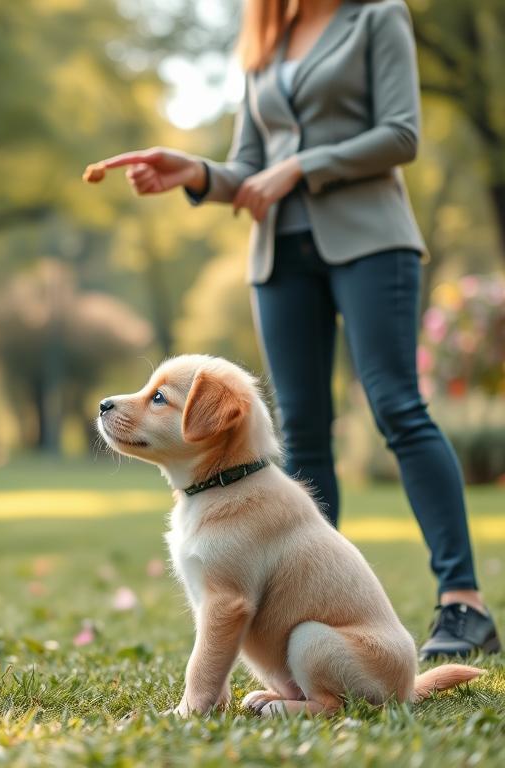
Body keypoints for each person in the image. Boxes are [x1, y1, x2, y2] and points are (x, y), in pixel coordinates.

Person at [90, 0, 499, 660]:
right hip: (280, 253)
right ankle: (315, 610)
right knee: (303, 424)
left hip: (371, 239)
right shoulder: (264, 32)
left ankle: (462, 602)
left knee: (397, 406)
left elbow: (401, 135)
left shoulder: (376, 15)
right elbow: (251, 165)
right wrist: (195, 173)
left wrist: (304, 165)